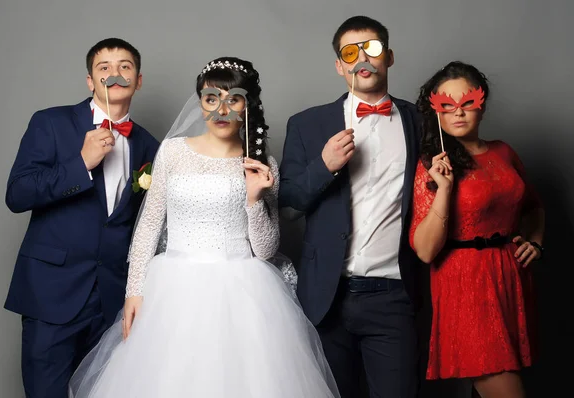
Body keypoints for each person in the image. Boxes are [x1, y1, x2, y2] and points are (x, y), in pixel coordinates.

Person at [68, 56, 341, 398]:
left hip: (243, 291)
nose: (221, 110)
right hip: (173, 289)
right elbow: (149, 226)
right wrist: (134, 292)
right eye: (212, 99)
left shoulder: (261, 162)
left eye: (233, 99)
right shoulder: (173, 151)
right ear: (201, 103)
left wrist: (254, 198)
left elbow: (266, 249)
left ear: (247, 105)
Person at [3, 38, 159, 397]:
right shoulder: (51, 123)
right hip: (51, 294)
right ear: (90, 81)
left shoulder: (150, 145)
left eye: (125, 67)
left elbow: (146, 224)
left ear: (138, 81)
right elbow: (18, 194)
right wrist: (81, 165)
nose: (115, 75)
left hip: (111, 301)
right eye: (104, 68)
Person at [278, 15, 422, 398]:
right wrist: (322, 167)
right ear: (339, 65)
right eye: (350, 52)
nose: (363, 58)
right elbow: (288, 204)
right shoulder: (307, 124)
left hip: (395, 295)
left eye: (372, 48)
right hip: (327, 297)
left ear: (388, 57)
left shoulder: (422, 123)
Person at [409, 61, 544, 398]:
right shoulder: (432, 165)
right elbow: (425, 250)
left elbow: (534, 206)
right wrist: (444, 188)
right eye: (447, 105)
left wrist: (536, 243)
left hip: (509, 276)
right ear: (435, 112)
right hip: (465, 282)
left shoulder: (503, 151)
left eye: (467, 102)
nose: (458, 112)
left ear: (481, 104)